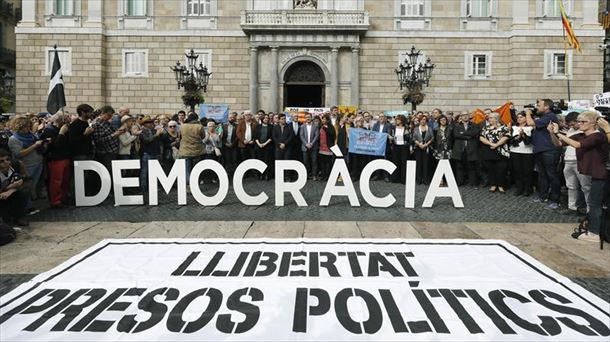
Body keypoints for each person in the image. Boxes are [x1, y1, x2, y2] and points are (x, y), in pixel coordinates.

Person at [552, 111, 609, 242]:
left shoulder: (598, 136)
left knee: (595, 203)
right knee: (593, 202)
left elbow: (577, 145)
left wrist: (558, 133)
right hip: (593, 174)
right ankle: (593, 228)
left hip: (602, 174)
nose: (580, 124)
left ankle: (595, 233)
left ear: (594, 123)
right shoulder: (581, 135)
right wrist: (552, 133)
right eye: (579, 121)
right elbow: (558, 144)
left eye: (583, 122)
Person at [526, 99, 561, 209]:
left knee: (552, 175)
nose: (537, 107)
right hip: (541, 150)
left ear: (546, 107)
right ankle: (542, 196)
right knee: (543, 175)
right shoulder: (543, 117)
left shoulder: (550, 116)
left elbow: (530, 123)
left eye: (539, 105)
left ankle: (555, 200)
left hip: (549, 150)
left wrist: (527, 113)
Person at [7, 117, 46, 201]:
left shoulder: (31, 135)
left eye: (29, 126)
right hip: (27, 165)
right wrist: (35, 145)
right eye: (26, 127)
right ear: (19, 127)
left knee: (34, 184)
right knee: (27, 185)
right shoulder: (13, 139)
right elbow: (18, 154)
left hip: (38, 162)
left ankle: (30, 202)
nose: (28, 128)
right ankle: (27, 206)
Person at [40, 114, 71, 208]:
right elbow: (56, 145)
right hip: (56, 158)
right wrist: (61, 133)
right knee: (56, 181)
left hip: (65, 157)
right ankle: (55, 201)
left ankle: (63, 197)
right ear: (59, 121)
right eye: (65, 120)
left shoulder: (64, 128)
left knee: (65, 180)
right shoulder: (49, 130)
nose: (67, 122)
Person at [479, 113, 510, 193]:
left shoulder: (503, 127)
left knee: (501, 169)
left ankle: (501, 186)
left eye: (491, 118)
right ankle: (493, 185)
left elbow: (506, 137)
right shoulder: (486, 127)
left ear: (496, 119)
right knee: (490, 169)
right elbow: (481, 137)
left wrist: (497, 145)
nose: (489, 119)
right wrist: (491, 144)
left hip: (501, 152)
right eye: (489, 118)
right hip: (489, 151)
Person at [0, 149, 29, 226]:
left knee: (24, 192)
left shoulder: (17, 164)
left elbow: (26, 181)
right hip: (2, 194)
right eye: (1, 161)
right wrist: (9, 187)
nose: (6, 162)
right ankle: (5, 218)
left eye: (7, 159)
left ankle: (19, 217)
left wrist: (11, 190)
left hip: (15, 191)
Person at [451, 111, 480, 187]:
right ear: (461, 116)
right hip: (459, 149)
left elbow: (474, 133)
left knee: (471, 167)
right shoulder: (456, 125)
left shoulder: (474, 125)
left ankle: (473, 183)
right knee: (459, 167)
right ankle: (460, 182)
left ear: (469, 116)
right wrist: (468, 136)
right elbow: (456, 135)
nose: (465, 116)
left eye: (466, 115)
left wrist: (462, 133)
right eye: (463, 115)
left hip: (471, 149)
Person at [509, 111, 534, 196]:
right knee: (517, 171)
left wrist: (523, 135)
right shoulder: (513, 127)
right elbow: (510, 141)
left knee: (527, 171)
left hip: (527, 152)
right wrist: (518, 137)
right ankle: (519, 188)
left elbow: (530, 141)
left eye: (521, 117)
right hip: (515, 152)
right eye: (518, 117)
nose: (519, 119)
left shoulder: (531, 128)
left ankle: (528, 189)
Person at [92, 105, 124, 172]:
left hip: (113, 151)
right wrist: (114, 135)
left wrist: (118, 131)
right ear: (103, 113)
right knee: (108, 172)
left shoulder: (106, 122)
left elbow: (110, 132)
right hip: (106, 153)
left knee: (114, 172)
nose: (110, 117)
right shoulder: (97, 124)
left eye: (111, 115)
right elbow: (99, 141)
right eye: (109, 115)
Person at [139, 115, 164, 193]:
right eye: (149, 122)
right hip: (147, 153)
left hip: (155, 152)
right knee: (144, 172)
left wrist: (160, 134)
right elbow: (147, 140)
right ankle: (143, 189)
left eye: (151, 122)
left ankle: (153, 188)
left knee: (154, 172)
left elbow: (158, 140)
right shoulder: (142, 131)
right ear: (145, 123)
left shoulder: (153, 130)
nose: (151, 123)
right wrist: (156, 134)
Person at [178, 113, 205, 185]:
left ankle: (189, 186)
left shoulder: (182, 126)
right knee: (196, 169)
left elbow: (179, 137)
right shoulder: (199, 126)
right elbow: (203, 137)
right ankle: (196, 185)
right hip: (197, 151)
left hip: (185, 151)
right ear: (196, 119)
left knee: (187, 170)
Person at [412, 115, 434, 185]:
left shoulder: (430, 129)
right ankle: (418, 180)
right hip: (418, 148)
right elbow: (414, 138)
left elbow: (432, 138)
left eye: (424, 119)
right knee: (418, 164)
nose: (422, 121)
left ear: (426, 120)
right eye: (421, 119)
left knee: (426, 164)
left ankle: (425, 179)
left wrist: (426, 144)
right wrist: (419, 144)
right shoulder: (416, 128)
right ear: (419, 120)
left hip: (426, 148)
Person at [272, 114, 294, 181]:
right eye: (282, 119)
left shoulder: (289, 126)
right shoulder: (275, 127)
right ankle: (280, 177)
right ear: (279, 120)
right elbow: (274, 137)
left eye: (284, 118)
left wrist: (284, 144)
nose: (283, 120)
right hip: (278, 148)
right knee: (279, 162)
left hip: (287, 147)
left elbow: (291, 136)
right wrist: (279, 144)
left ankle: (288, 177)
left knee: (287, 162)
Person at [372, 113, 393, 182]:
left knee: (385, 160)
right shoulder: (375, 125)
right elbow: (373, 134)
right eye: (380, 117)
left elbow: (388, 133)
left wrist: (387, 135)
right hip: (377, 146)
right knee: (377, 160)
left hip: (385, 145)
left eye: (382, 117)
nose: (381, 118)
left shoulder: (389, 125)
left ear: (385, 118)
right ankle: (377, 175)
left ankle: (385, 175)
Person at [391, 114, 411, 184]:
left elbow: (409, 138)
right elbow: (391, 136)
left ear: (402, 120)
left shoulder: (406, 128)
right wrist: (391, 138)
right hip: (396, 147)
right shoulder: (393, 128)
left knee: (404, 163)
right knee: (395, 162)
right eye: (396, 119)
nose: (397, 120)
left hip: (404, 147)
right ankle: (395, 178)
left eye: (398, 119)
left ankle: (403, 179)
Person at [299, 113, 319, 180]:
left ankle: (314, 175)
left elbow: (317, 136)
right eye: (307, 117)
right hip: (305, 147)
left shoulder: (315, 126)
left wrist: (311, 144)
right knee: (305, 162)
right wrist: (306, 144)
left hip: (314, 147)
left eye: (309, 117)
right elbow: (301, 136)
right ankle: (306, 175)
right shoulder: (302, 126)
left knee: (314, 161)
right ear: (305, 118)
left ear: (311, 118)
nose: (308, 118)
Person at [255, 114, 273, 180]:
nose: (266, 119)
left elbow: (271, 137)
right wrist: (259, 144)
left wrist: (264, 144)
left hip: (267, 146)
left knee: (267, 161)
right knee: (260, 161)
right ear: (262, 119)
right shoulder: (258, 126)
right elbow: (256, 136)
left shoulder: (271, 127)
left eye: (267, 118)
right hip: (259, 146)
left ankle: (267, 174)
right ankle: (261, 174)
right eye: (265, 118)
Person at [318, 114, 336, 181]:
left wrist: (325, 128)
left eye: (325, 119)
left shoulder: (330, 126)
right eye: (322, 119)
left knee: (328, 163)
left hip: (328, 147)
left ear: (328, 120)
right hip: (321, 147)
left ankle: (327, 176)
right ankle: (323, 175)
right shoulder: (320, 126)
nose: (323, 120)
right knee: (322, 163)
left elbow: (332, 134)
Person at [222, 112, 239, 177]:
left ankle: (235, 174)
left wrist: (233, 144)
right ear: (228, 118)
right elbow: (221, 137)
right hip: (226, 146)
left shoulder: (237, 126)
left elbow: (237, 136)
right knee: (227, 160)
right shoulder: (223, 126)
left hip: (234, 146)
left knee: (234, 160)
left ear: (234, 118)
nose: (231, 119)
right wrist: (225, 143)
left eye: (233, 117)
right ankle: (228, 174)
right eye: (230, 117)